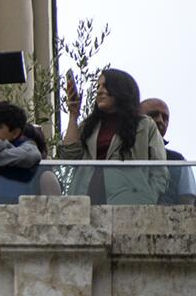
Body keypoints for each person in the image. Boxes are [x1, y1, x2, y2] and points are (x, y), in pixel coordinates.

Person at [59, 67, 166, 205]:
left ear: (121, 89)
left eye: (106, 86)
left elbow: (160, 169)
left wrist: (147, 198)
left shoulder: (144, 125)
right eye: (98, 86)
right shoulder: (88, 126)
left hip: (128, 204)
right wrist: (73, 114)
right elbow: (68, 157)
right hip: (85, 202)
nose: (99, 91)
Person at [142, 97, 194, 202]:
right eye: (153, 115)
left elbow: (188, 201)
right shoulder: (124, 155)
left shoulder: (178, 161)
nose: (160, 120)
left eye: (165, 118)